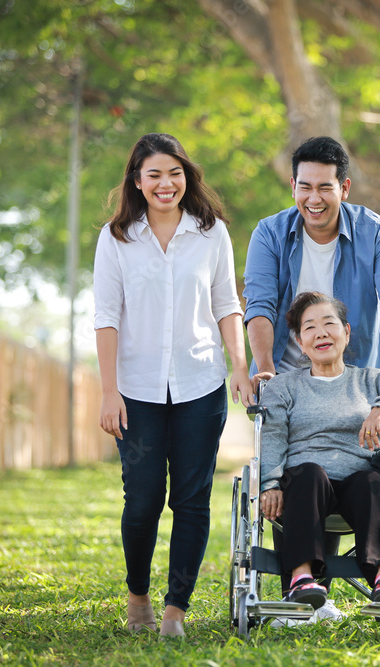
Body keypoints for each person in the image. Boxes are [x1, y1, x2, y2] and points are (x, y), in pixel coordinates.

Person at [242, 136, 380, 622]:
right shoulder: (271, 233)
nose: (313, 199)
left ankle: (359, 581)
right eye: (303, 187)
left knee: (358, 473)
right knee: (304, 471)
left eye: (324, 187)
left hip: (354, 373)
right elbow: (258, 304)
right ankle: (305, 582)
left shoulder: (376, 232)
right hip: (289, 371)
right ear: (292, 185)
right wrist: (264, 368)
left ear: (344, 186)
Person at [93, 133, 253, 638]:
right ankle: (137, 594)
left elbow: (227, 304)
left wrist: (239, 366)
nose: (166, 183)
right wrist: (108, 390)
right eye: (154, 174)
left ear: (188, 176)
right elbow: (106, 316)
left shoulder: (212, 234)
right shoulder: (116, 238)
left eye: (175, 172)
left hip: (199, 386)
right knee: (141, 501)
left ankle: (174, 612)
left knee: (191, 501)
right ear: (137, 182)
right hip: (136, 390)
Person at [258, 292, 380, 611]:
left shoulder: (372, 380)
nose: (322, 333)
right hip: (305, 489)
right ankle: (302, 579)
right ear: (300, 341)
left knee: (371, 481)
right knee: (309, 473)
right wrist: (269, 484)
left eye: (330, 323)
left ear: (347, 332)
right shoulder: (283, 387)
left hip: (359, 486)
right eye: (310, 327)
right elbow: (271, 437)